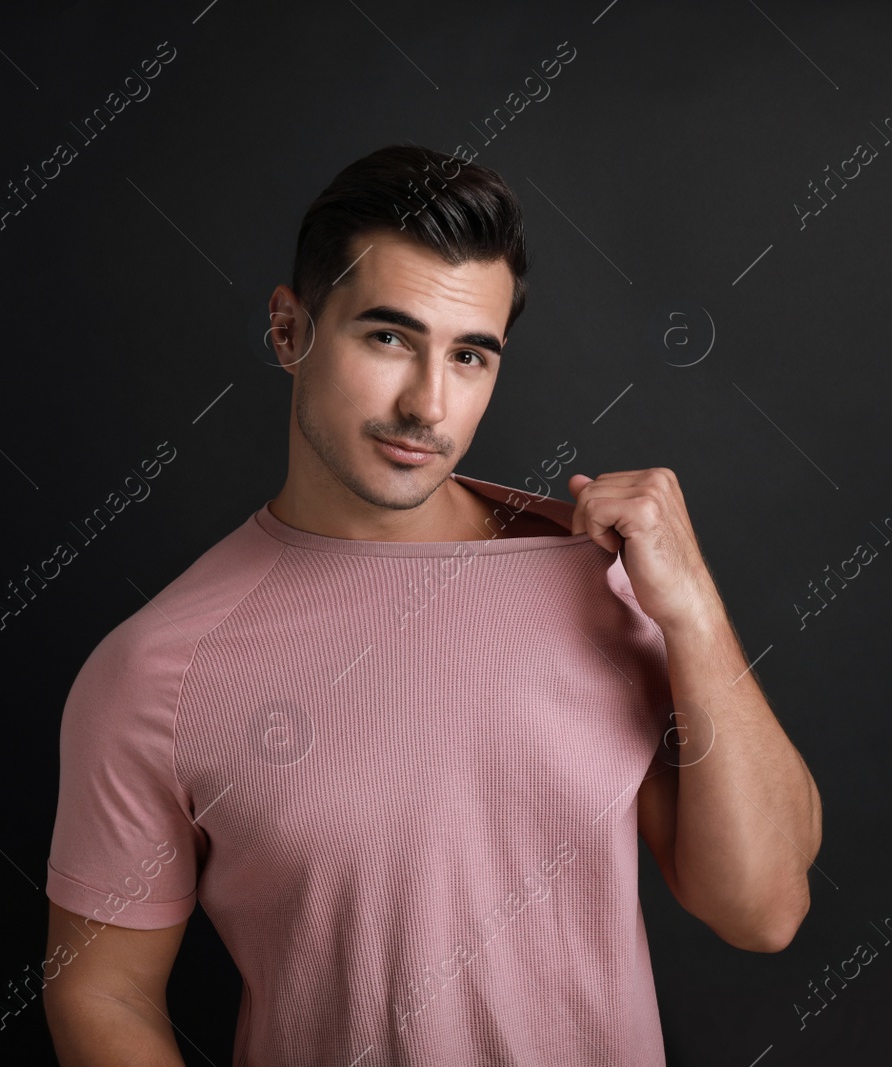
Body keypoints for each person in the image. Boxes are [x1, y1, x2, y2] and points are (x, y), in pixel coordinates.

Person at [41, 143, 821, 1066]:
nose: (428, 404)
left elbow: (764, 908)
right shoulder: (155, 670)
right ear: (290, 331)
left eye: (470, 356)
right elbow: (103, 987)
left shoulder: (598, 581)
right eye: (387, 337)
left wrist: (692, 610)